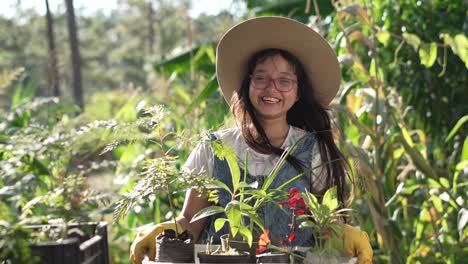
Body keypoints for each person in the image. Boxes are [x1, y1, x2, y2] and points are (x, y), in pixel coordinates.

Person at [130, 16, 373, 264]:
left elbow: (326, 224)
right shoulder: (214, 147)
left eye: (284, 81)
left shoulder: (311, 149)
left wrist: (344, 234)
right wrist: (165, 231)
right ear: (247, 85)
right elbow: (191, 222)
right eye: (261, 78)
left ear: (298, 92)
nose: (271, 88)